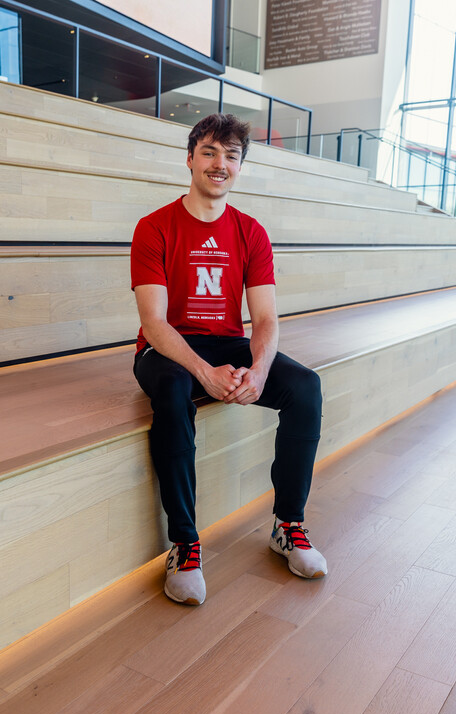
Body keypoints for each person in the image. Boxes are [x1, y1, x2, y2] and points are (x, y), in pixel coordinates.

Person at [131, 113, 328, 606]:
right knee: (174, 389)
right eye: (210, 152)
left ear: (240, 166)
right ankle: (184, 543)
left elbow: (265, 319)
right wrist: (203, 372)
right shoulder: (153, 227)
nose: (220, 164)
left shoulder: (251, 232)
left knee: (305, 387)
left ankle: (288, 525)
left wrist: (258, 371)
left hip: (226, 342)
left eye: (231, 156)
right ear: (190, 159)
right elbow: (153, 322)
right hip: (166, 346)